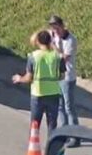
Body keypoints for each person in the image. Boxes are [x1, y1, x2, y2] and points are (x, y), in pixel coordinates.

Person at [12, 30, 63, 132]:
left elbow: (28, 78)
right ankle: (52, 142)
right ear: (50, 41)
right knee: (52, 125)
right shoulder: (57, 57)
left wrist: (19, 78)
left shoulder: (33, 56)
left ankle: (34, 142)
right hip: (53, 94)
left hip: (38, 94)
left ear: (38, 41)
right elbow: (62, 76)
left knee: (35, 125)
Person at [48, 15, 81, 146]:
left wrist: (53, 46)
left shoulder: (71, 40)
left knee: (69, 107)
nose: (55, 31)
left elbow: (63, 58)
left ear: (62, 26)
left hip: (67, 77)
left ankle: (76, 136)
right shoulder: (54, 35)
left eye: (57, 28)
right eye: (53, 28)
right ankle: (65, 131)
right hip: (57, 76)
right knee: (60, 106)